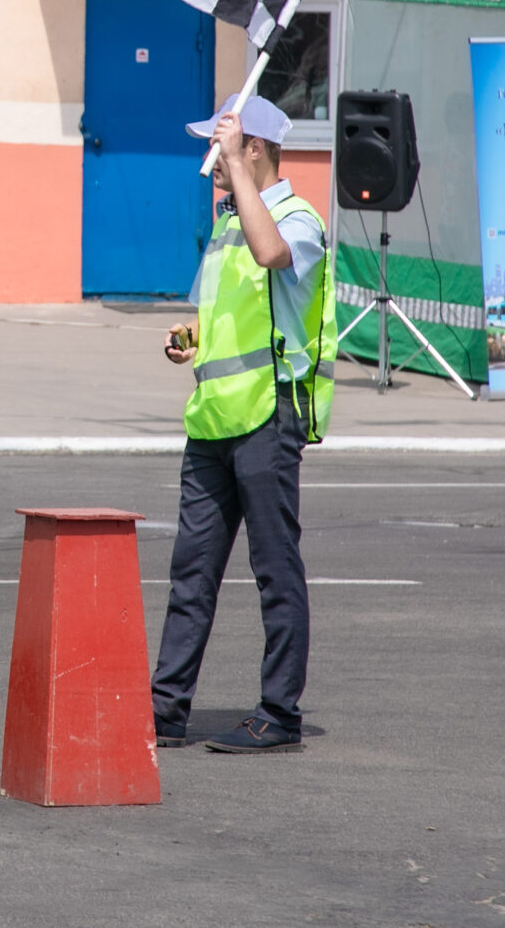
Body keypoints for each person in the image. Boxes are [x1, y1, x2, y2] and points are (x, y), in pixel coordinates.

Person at [149, 94, 335, 755]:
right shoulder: (228, 224)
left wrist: (234, 161)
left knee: (274, 567)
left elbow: (272, 255)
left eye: (222, 148)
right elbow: (219, 317)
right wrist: (188, 339)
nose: (213, 163)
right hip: (212, 420)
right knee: (190, 571)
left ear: (252, 146)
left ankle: (279, 710)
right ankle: (166, 707)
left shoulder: (297, 219)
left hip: (267, 416)